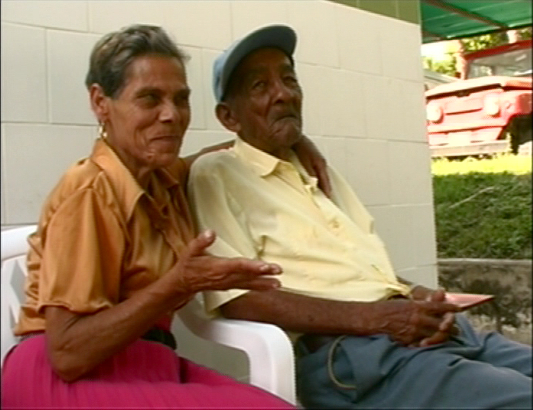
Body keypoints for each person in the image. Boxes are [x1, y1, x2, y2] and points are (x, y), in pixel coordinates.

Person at [187, 24, 532, 409]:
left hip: (417, 335)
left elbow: (364, 272)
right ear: (228, 117)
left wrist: (420, 298)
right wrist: (381, 318)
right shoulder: (216, 173)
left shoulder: (314, 169)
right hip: (356, 359)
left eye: (288, 79)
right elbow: (239, 300)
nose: (283, 93)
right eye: (259, 87)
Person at [1, 24, 330, 409]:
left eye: (181, 99)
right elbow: (68, 354)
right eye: (149, 99)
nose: (171, 115)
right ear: (100, 102)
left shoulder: (163, 176)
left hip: (150, 363)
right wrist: (177, 285)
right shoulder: (89, 192)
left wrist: (291, 138)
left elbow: (216, 154)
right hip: (63, 378)